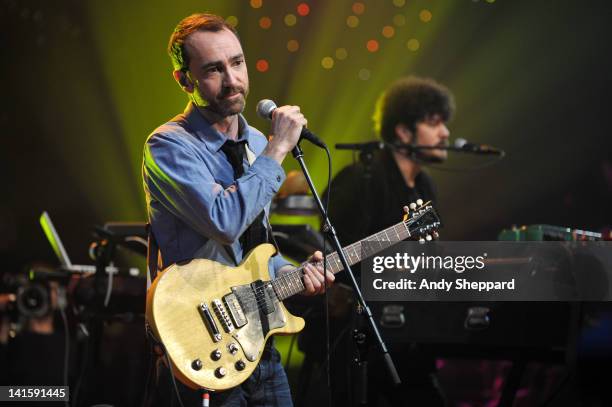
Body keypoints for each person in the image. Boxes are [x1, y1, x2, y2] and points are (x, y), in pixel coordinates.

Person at [142, 13, 334, 407]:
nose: (232, 80)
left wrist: (297, 275)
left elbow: (254, 247)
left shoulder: (257, 143)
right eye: (214, 69)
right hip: (201, 346)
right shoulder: (168, 146)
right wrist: (278, 150)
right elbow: (225, 222)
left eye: (237, 62)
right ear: (185, 79)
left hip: (257, 343)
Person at [319, 76, 454, 406]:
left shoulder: (425, 187)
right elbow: (331, 255)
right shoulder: (361, 178)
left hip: (407, 334)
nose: (445, 133)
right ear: (404, 132)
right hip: (354, 340)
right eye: (434, 123)